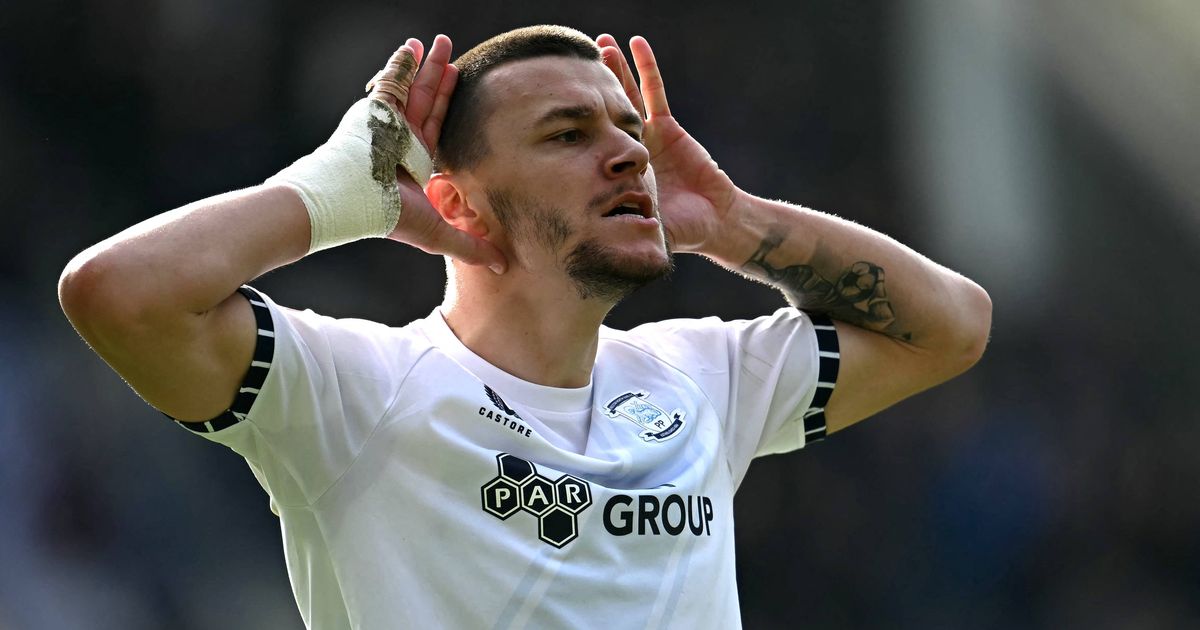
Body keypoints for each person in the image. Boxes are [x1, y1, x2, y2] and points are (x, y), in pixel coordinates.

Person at [58, 25, 991, 629]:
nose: (627, 155)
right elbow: (116, 294)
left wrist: (737, 223)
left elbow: (951, 326)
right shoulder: (359, 392)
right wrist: (333, 192)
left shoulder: (700, 379)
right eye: (567, 134)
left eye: (629, 131)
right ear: (457, 204)